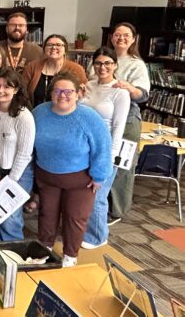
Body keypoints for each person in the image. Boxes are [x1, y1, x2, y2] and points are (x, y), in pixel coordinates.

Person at [33, 72, 112, 267]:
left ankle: (70, 256)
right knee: (47, 215)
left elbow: (103, 148)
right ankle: (44, 250)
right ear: (51, 93)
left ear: (78, 93)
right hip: (47, 177)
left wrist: (99, 176)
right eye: (57, 91)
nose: (62, 95)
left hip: (80, 181)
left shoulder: (89, 118)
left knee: (75, 218)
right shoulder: (39, 113)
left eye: (68, 91)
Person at [81, 47, 130, 249]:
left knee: (98, 195)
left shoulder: (120, 92)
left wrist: (110, 157)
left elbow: (118, 127)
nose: (103, 67)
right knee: (86, 193)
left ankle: (98, 237)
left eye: (107, 63)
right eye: (99, 63)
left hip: (105, 150)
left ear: (115, 65)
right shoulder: (88, 86)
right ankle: (87, 229)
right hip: (84, 149)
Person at [104, 22, 151, 224]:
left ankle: (116, 211)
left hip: (128, 121)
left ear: (133, 39)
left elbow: (143, 95)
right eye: (117, 35)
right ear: (112, 37)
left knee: (121, 166)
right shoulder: (103, 58)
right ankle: (101, 205)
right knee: (103, 163)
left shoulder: (136, 64)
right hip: (104, 120)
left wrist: (128, 87)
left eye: (126, 35)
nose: (121, 38)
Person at [0, 68, 35, 241]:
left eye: (7, 87)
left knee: (9, 217)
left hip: (20, 172)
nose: (1, 90)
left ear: (15, 90)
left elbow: (24, 154)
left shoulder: (23, 116)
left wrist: (10, 181)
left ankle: (13, 256)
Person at [21, 34, 88, 107]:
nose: (53, 47)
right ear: (44, 49)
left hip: (65, 113)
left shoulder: (76, 69)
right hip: (36, 113)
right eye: (49, 45)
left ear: (65, 49)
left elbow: (83, 96)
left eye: (58, 45)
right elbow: (22, 92)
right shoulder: (32, 66)